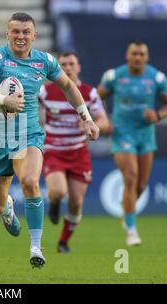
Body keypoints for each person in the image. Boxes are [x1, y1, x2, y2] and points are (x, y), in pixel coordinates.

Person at [0, 12, 100, 268]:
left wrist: (85, 117)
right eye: (15, 32)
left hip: (28, 133)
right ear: (7, 34)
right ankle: (7, 205)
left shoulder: (45, 61)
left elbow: (68, 86)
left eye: (25, 32)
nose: (20, 36)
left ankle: (36, 247)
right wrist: (3, 100)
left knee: (30, 181)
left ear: (34, 35)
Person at [98, 40, 167, 246]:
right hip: (122, 133)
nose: (138, 58)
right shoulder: (114, 76)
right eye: (134, 53)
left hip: (145, 135)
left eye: (142, 54)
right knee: (131, 177)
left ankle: (127, 207)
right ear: (127, 55)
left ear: (147, 57)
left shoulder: (156, 78)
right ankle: (132, 231)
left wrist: (158, 114)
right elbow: (96, 98)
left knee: (141, 185)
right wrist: (104, 120)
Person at [39, 52, 111, 253]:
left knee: (76, 202)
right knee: (59, 191)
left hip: (79, 153)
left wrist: (92, 124)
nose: (67, 67)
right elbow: (28, 106)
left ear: (78, 67)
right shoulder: (46, 91)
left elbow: (105, 122)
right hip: (54, 150)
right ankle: (54, 202)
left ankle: (63, 243)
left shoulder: (89, 93)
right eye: (63, 64)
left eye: (71, 64)